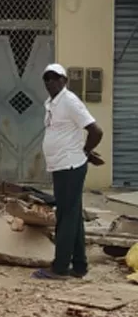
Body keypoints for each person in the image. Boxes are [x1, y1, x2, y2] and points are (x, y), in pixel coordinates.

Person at [33, 63, 104, 280]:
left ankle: (61, 266)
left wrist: (86, 151)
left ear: (64, 80)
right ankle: (80, 265)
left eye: (54, 78)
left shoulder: (70, 101)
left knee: (66, 214)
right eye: (46, 78)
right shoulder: (52, 103)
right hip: (61, 165)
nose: (50, 82)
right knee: (72, 214)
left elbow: (95, 131)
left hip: (71, 164)